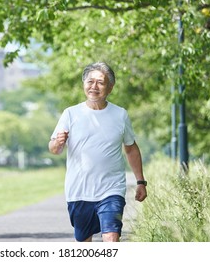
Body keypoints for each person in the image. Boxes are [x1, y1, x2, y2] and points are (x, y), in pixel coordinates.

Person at [49, 62, 147, 242]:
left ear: (110, 87)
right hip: (79, 191)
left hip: (111, 189)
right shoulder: (71, 114)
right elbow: (54, 149)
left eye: (100, 82)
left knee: (111, 237)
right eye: (90, 81)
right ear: (84, 84)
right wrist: (58, 142)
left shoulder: (120, 115)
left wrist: (141, 181)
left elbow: (131, 148)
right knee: (84, 243)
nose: (94, 87)